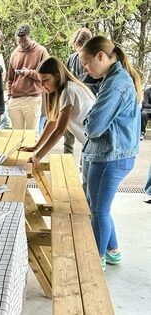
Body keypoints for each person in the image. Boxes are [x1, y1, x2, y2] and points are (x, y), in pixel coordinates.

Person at [79, 35, 142, 270]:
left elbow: (94, 126)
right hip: (113, 154)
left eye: (86, 63)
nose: (85, 68)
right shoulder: (114, 77)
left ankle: (96, 262)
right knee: (100, 207)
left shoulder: (116, 83)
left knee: (98, 211)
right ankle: (112, 250)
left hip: (111, 156)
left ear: (101, 56)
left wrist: (87, 121)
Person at [19, 57, 95, 168]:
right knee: (87, 184)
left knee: (90, 185)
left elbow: (59, 131)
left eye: (45, 80)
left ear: (57, 76)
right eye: (40, 81)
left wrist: (38, 156)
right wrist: (36, 147)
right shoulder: (66, 88)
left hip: (96, 147)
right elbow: (53, 121)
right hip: (90, 145)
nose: (42, 85)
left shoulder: (68, 91)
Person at [64, 28, 101, 154]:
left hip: (89, 105)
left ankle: (83, 164)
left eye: (81, 48)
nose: (78, 51)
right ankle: (66, 159)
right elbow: (66, 79)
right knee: (68, 138)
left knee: (87, 139)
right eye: (77, 48)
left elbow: (100, 85)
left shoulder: (97, 60)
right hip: (72, 104)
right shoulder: (71, 59)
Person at [7, 24, 49, 131]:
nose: (22, 45)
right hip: (15, 99)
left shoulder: (41, 51)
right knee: (17, 134)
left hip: (33, 98)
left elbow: (47, 75)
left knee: (31, 134)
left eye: (25, 42)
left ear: (31, 37)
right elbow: (10, 78)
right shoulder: (15, 53)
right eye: (19, 42)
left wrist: (29, 73)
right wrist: (9, 93)